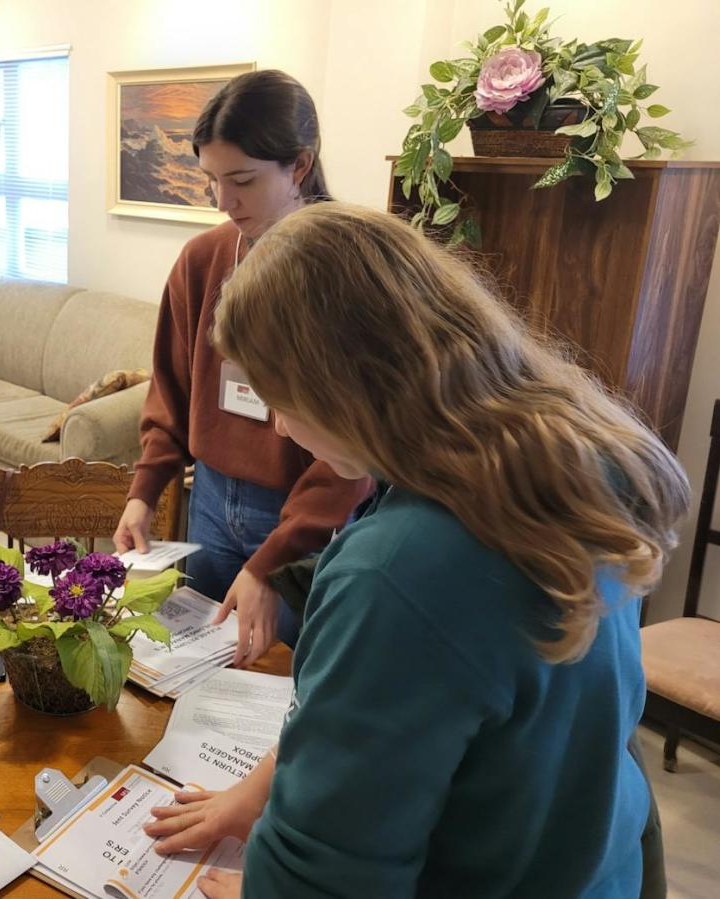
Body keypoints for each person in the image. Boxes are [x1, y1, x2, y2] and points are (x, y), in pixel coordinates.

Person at [144, 203, 684, 898]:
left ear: (340, 387)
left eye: (278, 397)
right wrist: (262, 792)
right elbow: (416, 718)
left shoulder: (398, 570)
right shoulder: (560, 459)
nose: (277, 422)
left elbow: (330, 878)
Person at [113, 70, 371, 665]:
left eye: (243, 181)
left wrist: (273, 558)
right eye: (211, 180)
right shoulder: (203, 259)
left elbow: (358, 449)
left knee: (292, 679)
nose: (223, 202)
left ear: (300, 166)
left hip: (305, 511)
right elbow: (170, 389)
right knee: (202, 676)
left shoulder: (349, 273)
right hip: (210, 496)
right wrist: (145, 492)